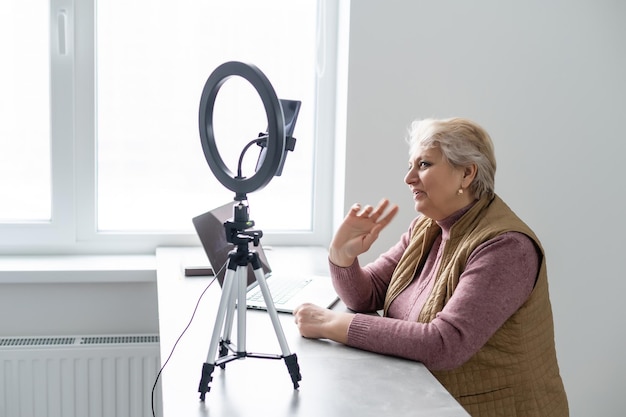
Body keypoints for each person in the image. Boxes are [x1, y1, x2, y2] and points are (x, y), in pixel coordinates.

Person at [293, 117, 568, 417]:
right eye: (410, 166)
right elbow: (366, 295)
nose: (409, 178)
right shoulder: (427, 227)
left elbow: (443, 344)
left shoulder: (507, 248)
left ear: (466, 174)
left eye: (423, 164)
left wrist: (332, 325)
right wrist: (341, 255)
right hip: (430, 401)